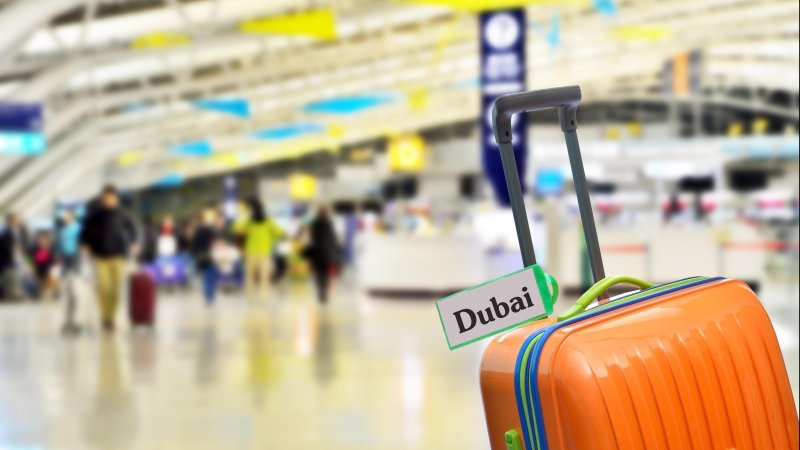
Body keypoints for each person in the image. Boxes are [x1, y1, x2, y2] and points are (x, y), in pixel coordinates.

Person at [80, 185, 138, 332]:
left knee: (116, 289)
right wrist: (85, 245)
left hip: (119, 257)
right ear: (102, 199)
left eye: (111, 198)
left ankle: (111, 317)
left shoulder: (123, 214)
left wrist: (133, 243)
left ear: (116, 198)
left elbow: (133, 230)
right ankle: (106, 317)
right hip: (100, 257)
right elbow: (85, 234)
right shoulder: (95, 216)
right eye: (105, 198)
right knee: (104, 288)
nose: (108, 201)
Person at [234, 197, 283, 300]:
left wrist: (245, 216)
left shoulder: (249, 221)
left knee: (249, 276)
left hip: (250, 252)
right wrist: (271, 239)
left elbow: (237, 229)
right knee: (264, 277)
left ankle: (250, 297)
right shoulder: (268, 221)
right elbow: (279, 233)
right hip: (264, 252)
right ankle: (263, 297)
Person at [303, 206, 340, 304]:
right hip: (328, 254)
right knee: (326, 274)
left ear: (318, 214)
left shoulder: (315, 224)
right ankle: (324, 292)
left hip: (317, 253)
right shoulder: (330, 224)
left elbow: (312, 239)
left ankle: (321, 292)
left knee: (318, 274)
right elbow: (334, 240)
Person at [192, 209, 220, 306]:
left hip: (204, 256)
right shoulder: (207, 230)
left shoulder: (200, 231)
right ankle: (209, 297)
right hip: (208, 256)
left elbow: (195, 246)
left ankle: (209, 297)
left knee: (208, 277)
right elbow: (212, 243)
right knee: (209, 277)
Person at [0, 213, 29, 300]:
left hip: (14, 257)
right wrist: (12, 250)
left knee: (16, 275)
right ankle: (10, 294)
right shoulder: (6, 231)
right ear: (10, 220)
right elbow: (5, 244)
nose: (18, 220)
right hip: (8, 259)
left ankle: (14, 294)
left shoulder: (16, 230)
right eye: (16, 219)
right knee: (10, 276)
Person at [30, 231, 56, 300]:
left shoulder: (50, 249)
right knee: (39, 282)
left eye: (44, 239)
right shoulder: (35, 249)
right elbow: (33, 259)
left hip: (47, 268)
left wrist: (51, 269)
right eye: (40, 239)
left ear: (47, 240)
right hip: (38, 268)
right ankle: (40, 294)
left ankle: (49, 294)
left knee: (48, 281)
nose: (42, 241)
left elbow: (52, 260)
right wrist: (32, 267)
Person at [57, 210, 82, 275]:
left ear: (72, 217)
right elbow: (61, 241)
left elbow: (81, 239)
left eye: (67, 217)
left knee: (74, 270)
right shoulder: (63, 229)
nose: (65, 218)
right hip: (64, 252)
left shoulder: (77, 227)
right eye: (65, 217)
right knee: (65, 270)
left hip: (74, 252)